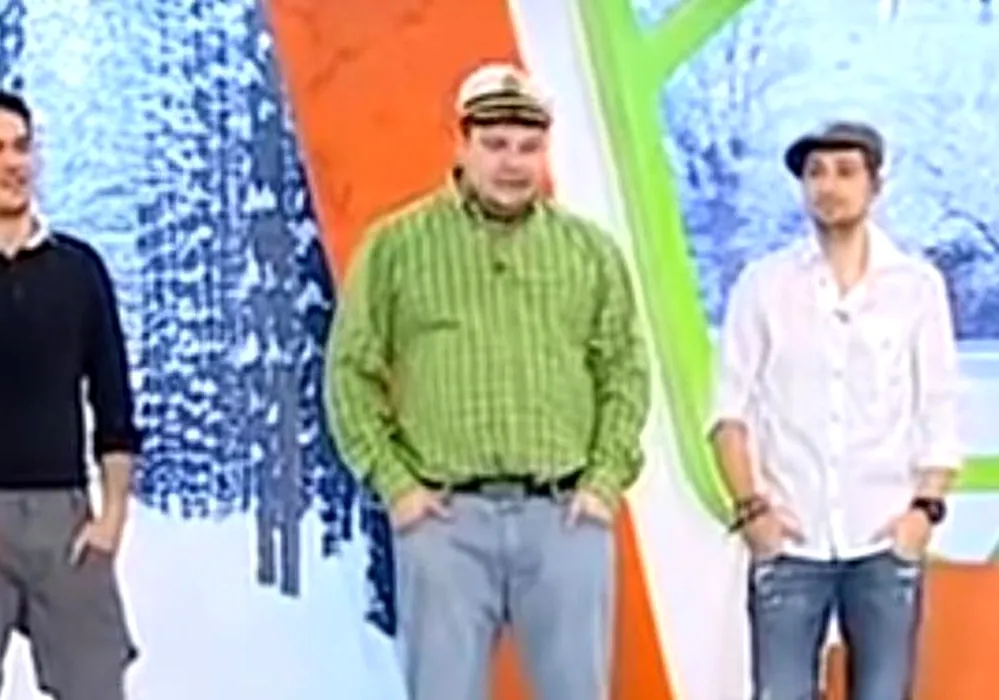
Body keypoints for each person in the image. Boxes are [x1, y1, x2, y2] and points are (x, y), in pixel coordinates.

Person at [325, 63, 651, 700]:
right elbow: (350, 372)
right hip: (445, 522)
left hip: (564, 516)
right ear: (461, 143)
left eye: (529, 147)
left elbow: (625, 372)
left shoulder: (590, 253)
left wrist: (603, 483)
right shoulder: (396, 247)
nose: (513, 163)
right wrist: (396, 487)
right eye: (496, 144)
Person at [708, 121, 961, 699]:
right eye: (815, 173)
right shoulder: (763, 284)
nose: (828, 186)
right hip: (789, 541)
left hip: (884, 539)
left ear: (875, 185)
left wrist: (922, 514)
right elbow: (728, 412)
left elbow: (939, 410)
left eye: (846, 172)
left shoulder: (917, 287)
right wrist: (753, 513)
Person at [0, 88, 140, 700]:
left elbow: (113, 402)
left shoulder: (79, 270)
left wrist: (112, 517)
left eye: (23, 147)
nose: (14, 163)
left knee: (97, 684)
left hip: (66, 522)